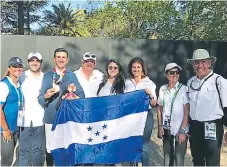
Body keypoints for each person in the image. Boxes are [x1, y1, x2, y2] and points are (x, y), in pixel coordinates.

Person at [38, 48, 85, 166]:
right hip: (51, 118)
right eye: (58, 57)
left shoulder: (71, 75)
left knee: (65, 146)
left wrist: (74, 97)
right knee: (50, 148)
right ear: (54, 59)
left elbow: (81, 95)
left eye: (63, 57)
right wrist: (47, 96)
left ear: (67, 60)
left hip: (66, 119)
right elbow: (40, 99)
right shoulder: (48, 76)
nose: (61, 59)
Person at [187, 49, 227, 166]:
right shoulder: (190, 82)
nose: (200, 65)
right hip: (195, 127)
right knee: (197, 159)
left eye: (203, 62)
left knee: (212, 160)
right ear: (193, 65)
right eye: (196, 62)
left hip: (213, 125)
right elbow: (188, 106)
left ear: (209, 63)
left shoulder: (219, 81)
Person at [126, 57, 157, 166]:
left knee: (144, 145)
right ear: (131, 68)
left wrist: (150, 95)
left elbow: (154, 103)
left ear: (142, 68)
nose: (136, 69)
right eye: (134, 67)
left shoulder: (149, 83)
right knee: (132, 143)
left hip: (145, 116)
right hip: (131, 116)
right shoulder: (127, 83)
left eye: (138, 67)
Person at [157, 63, 189, 166]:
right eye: (172, 72)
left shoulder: (184, 89)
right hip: (166, 128)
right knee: (167, 158)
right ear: (166, 74)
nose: (175, 75)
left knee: (179, 159)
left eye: (177, 72)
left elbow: (186, 111)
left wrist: (183, 131)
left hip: (180, 129)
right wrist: (160, 126)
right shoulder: (162, 89)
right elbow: (159, 108)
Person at [18, 52, 45, 166]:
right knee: (23, 150)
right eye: (32, 60)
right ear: (28, 62)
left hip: (40, 119)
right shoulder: (21, 76)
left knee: (38, 151)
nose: (34, 63)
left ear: (40, 62)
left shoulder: (46, 77)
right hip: (24, 119)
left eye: (37, 60)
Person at [0, 57, 24, 166]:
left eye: (20, 66)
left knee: (21, 155)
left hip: (16, 127)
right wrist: (5, 129)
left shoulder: (19, 84)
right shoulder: (4, 85)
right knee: (7, 159)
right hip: (6, 130)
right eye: (15, 66)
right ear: (9, 68)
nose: (18, 69)